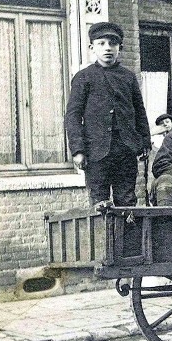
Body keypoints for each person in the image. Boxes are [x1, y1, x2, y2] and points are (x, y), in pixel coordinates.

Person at [64, 22, 150, 207]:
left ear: (120, 48)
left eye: (112, 43)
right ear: (92, 48)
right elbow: (73, 116)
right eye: (101, 43)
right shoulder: (83, 77)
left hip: (125, 151)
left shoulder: (128, 77)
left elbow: (139, 111)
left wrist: (144, 142)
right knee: (99, 203)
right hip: (95, 152)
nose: (107, 48)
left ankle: (125, 237)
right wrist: (78, 150)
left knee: (127, 202)